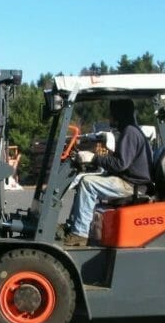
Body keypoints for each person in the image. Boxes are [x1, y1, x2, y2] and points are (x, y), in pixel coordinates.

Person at [64, 99, 153, 246]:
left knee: (88, 184)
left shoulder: (130, 132)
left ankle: (80, 234)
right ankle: (73, 226)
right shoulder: (130, 130)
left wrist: (94, 158)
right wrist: (96, 159)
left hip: (131, 184)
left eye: (111, 114)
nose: (109, 117)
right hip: (128, 179)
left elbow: (120, 164)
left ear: (118, 114)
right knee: (82, 178)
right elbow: (121, 161)